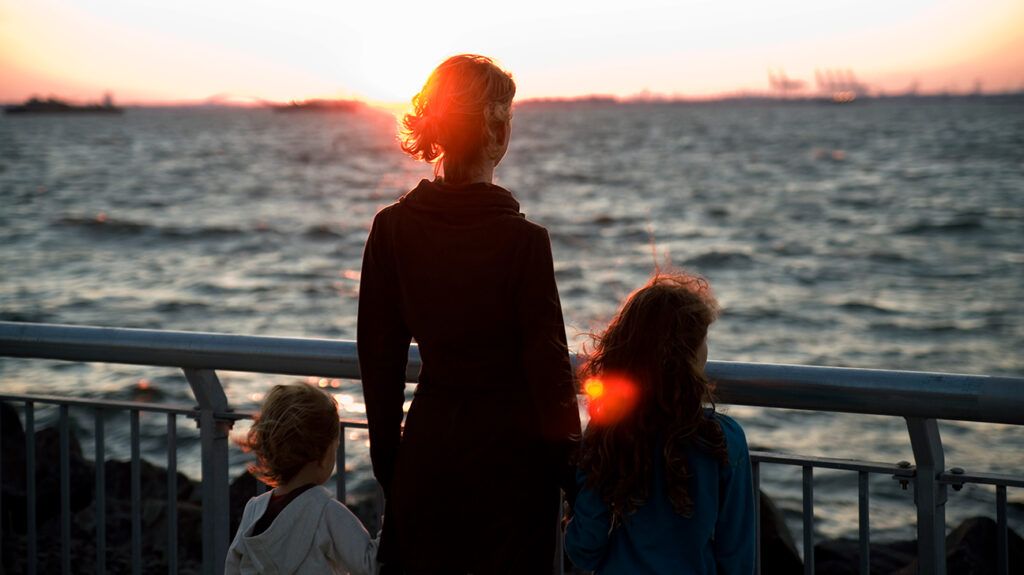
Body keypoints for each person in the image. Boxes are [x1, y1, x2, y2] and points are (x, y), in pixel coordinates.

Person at [357, 54, 581, 573]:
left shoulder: (391, 230)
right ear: (496, 127)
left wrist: (392, 467)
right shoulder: (524, 242)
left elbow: (379, 364)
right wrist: (576, 481)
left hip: (429, 452)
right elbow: (549, 374)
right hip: (513, 466)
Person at [564, 273, 755, 574]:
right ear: (690, 357)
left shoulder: (608, 434)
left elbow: (585, 548)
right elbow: (738, 556)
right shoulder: (724, 440)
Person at [225, 384, 378, 575]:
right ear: (322, 456)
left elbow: (233, 567)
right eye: (334, 448)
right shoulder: (327, 513)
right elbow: (370, 565)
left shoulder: (254, 510)